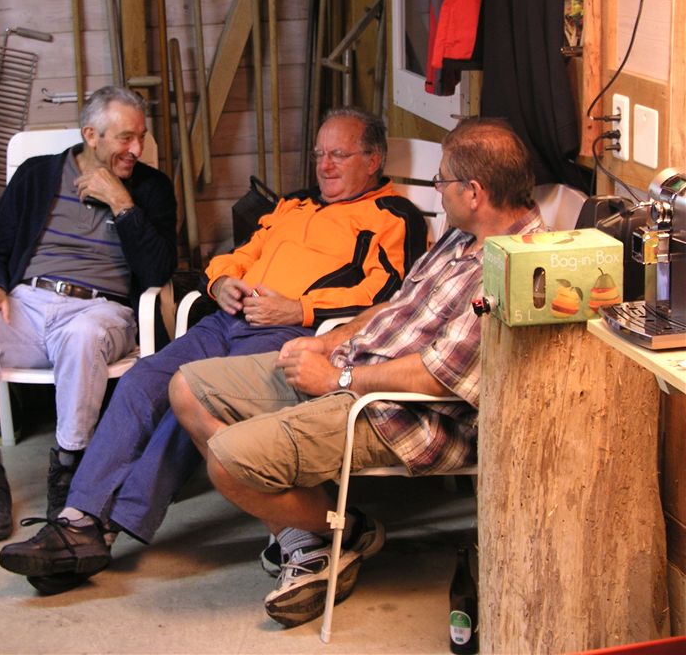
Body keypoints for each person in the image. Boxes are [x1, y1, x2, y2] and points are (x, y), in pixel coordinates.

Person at [0, 107, 427, 594]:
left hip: (290, 335)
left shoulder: (394, 217)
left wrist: (300, 309)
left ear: (373, 160)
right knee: (142, 380)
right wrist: (221, 282)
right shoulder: (295, 204)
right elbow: (239, 255)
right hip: (226, 319)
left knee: (195, 397)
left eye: (339, 156)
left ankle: (98, 528)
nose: (324, 166)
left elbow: (388, 296)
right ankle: (78, 515)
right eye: (318, 155)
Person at [169, 118, 547, 628]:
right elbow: (396, 304)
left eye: (443, 181)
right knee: (187, 388)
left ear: (474, 192)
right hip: (356, 366)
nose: (438, 190)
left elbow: (438, 377)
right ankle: (315, 539)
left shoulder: (516, 267)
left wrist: (337, 381)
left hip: (403, 414)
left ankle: (339, 530)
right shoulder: (464, 235)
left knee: (226, 462)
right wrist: (326, 343)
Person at [0, 86, 178, 542]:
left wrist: (122, 203)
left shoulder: (151, 188)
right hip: (28, 304)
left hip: (100, 310)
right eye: (125, 138)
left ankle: (70, 468)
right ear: (91, 135)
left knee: (82, 335)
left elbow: (158, 270)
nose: (136, 149)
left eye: (142, 137)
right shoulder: (37, 175)